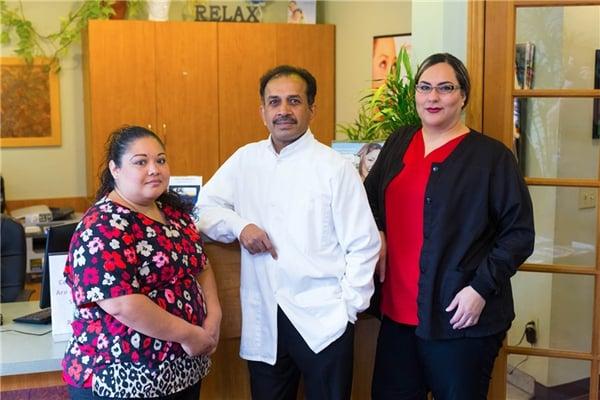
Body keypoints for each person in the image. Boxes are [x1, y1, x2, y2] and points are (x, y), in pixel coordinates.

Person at [197, 65, 380, 400]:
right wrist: (240, 226)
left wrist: (348, 310)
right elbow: (203, 211)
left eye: (294, 101)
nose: (283, 110)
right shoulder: (245, 160)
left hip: (324, 319)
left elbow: (364, 244)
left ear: (311, 109)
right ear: (263, 111)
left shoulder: (334, 168)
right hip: (265, 315)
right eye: (274, 102)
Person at [364, 53, 535, 399]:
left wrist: (480, 289)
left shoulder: (491, 157)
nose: (433, 97)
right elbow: (368, 201)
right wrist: (378, 231)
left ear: (463, 96)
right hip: (397, 315)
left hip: (460, 319)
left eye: (445, 88)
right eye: (425, 88)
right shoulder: (399, 142)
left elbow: (518, 234)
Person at [62, 126, 221, 400]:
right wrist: (188, 335)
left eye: (160, 160)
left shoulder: (174, 213)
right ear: (115, 169)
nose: (154, 169)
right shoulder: (101, 225)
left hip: (180, 372)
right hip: (122, 377)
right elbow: (121, 303)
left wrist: (214, 316)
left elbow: (200, 265)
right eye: (141, 162)